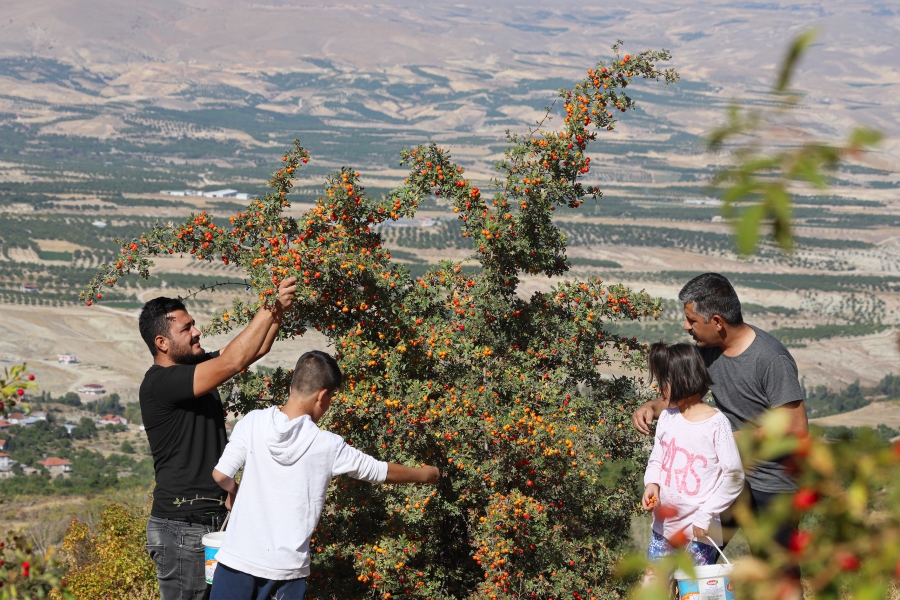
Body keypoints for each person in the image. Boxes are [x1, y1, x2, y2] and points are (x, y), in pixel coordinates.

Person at [208, 350, 440, 600]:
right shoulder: (327, 445)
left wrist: (235, 491)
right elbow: (378, 471)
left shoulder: (252, 422)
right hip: (286, 571)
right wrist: (424, 474)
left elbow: (220, 475)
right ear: (322, 396)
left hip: (236, 561)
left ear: (292, 385)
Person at [632, 273, 808, 584]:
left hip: (770, 485)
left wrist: (732, 440)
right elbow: (683, 391)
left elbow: (795, 428)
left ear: (716, 321)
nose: (686, 327)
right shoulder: (707, 350)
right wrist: (653, 407)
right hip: (722, 485)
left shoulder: (771, 358)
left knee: (779, 578)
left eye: (691, 320)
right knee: (693, 563)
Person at [139, 276, 297, 600]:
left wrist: (278, 310)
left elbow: (255, 349)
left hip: (213, 525)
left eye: (193, 324)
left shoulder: (195, 368)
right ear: (162, 343)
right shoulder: (161, 383)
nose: (197, 332)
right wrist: (271, 304)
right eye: (186, 329)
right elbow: (233, 361)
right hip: (181, 528)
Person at [641, 342, 744, 572]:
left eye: (664, 383)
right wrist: (652, 484)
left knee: (693, 593)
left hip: (699, 533)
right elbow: (658, 458)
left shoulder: (716, 424)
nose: (660, 390)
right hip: (663, 529)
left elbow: (734, 476)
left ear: (683, 380)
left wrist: (706, 515)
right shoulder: (667, 417)